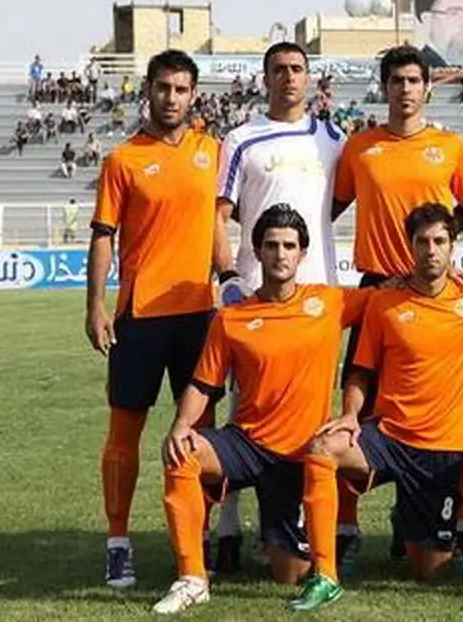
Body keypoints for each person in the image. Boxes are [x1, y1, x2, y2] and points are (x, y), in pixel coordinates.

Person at [151, 205, 372, 614]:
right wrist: (181, 425)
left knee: (290, 573)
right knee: (183, 454)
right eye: (271, 245)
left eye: (289, 246)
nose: (280, 254)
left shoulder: (330, 302)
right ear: (257, 252)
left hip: (302, 454)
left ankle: (275, 540)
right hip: (246, 443)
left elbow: (393, 296)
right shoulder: (232, 319)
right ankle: (192, 578)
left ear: (302, 253)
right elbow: (204, 384)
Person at [331, 45, 463, 570]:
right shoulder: (361, 147)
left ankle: (451, 523)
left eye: (414, 80)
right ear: (385, 86)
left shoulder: (448, 145)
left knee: (444, 413)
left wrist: (443, 247)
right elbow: (329, 207)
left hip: (435, 294)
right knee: (364, 408)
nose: (405, 89)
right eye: (396, 80)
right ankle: (346, 526)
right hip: (380, 290)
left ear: (428, 87)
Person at [302, 204, 463, 599]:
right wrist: (350, 415)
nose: (431, 250)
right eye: (422, 242)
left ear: (453, 246)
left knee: (430, 573)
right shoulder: (385, 302)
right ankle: (325, 574)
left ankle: (407, 519)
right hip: (388, 437)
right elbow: (360, 372)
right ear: (410, 246)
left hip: (442, 450)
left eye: (439, 241)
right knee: (323, 448)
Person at [210, 42, 346, 572]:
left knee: (315, 412)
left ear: (310, 78)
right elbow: (218, 214)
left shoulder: (333, 139)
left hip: (316, 299)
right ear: (265, 78)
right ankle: (227, 525)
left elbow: (334, 205)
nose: (289, 77)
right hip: (256, 296)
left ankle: (310, 527)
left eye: (297, 69)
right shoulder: (241, 138)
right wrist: (228, 276)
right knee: (243, 409)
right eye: (279, 70)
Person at [85, 49, 219, 589]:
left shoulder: (211, 151)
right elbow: (103, 236)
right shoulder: (123, 160)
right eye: (163, 87)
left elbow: (219, 223)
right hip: (139, 317)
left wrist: (230, 278)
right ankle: (118, 542)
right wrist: (95, 305)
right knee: (125, 432)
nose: (172, 98)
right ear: (148, 91)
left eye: (181, 89)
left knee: (199, 434)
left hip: (200, 316)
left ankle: (199, 540)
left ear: (194, 95)